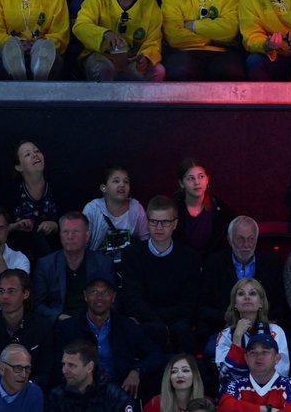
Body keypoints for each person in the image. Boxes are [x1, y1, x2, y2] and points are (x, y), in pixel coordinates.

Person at [53, 271, 164, 399]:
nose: (99, 297)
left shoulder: (126, 326)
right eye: (94, 291)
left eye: (105, 292)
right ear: (85, 296)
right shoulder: (68, 328)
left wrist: (137, 371)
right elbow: (57, 369)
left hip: (119, 392)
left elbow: (155, 354)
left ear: (113, 297)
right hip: (81, 394)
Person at [120, 195, 201, 353]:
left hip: (179, 322)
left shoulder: (190, 258)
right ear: (147, 222)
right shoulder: (132, 254)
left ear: (175, 224)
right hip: (145, 321)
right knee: (151, 331)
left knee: (182, 331)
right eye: (154, 221)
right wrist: (158, 322)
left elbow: (189, 303)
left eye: (165, 222)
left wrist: (166, 322)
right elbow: (132, 300)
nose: (159, 227)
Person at [72, 0, 166, 82]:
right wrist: (105, 34)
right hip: (102, 56)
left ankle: (140, 102)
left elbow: (154, 40)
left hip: (131, 61)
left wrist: (146, 58)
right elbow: (80, 26)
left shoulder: (150, 5)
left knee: (158, 70)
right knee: (102, 69)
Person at [199, 216, 287, 348]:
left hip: (264, 329)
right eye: (240, 239)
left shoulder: (272, 262)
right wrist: (231, 318)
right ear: (229, 240)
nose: (246, 245)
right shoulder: (213, 264)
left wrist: (259, 320)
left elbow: (282, 304)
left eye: (251, 239)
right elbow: (202, 307)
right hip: (223, 329)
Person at [32, 212, 115, 323]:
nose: (70, 237)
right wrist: (59, 317)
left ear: (86, 236)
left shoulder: (103, 263)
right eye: (65, 232)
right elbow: (38, 305)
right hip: (59, 325)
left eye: (76, 232)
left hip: (94, 323)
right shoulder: (46, 264)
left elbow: (113, 302)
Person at [215, 278, 290, 382]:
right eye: (241, 294)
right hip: (235, 392)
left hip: (269, 390)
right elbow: (224, 375)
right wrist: (237, 338)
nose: (247, 297)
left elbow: (282, 369)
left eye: (252, 293)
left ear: (261, 303)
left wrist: (255, 385)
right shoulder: (225, 335)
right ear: (235, 304)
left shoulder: (276, 331)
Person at [218, 333, 291, 412]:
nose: (259, 357)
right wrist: (266, 410)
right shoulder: (234, 385)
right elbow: (225, 407)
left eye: (265, 352)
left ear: (277, 358)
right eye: (253, 353)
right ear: (246, 358)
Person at [45, 340, 136, 412]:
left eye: (71, 365)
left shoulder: (116, 397)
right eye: (63, 364)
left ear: (89, 367)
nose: (64, 370)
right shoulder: (57, 395)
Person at [81, 165, 148, 263]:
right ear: (104, 188)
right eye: (116, 181)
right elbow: (82, 243)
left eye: (126, 182)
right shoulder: (92, 209)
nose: (122, 185)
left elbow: (145, 240)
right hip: (98, 266)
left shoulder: (136, 208)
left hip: (128, 265)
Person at [6, 140, 60, 256]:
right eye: (28, 154)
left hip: (54, 249)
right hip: (20, 251)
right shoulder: (11, 192)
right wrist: (16, 226)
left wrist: (55, 225)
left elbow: (71, 219)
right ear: (19, 167)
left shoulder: (57, 187)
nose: (35, 155)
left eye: (37, 151)